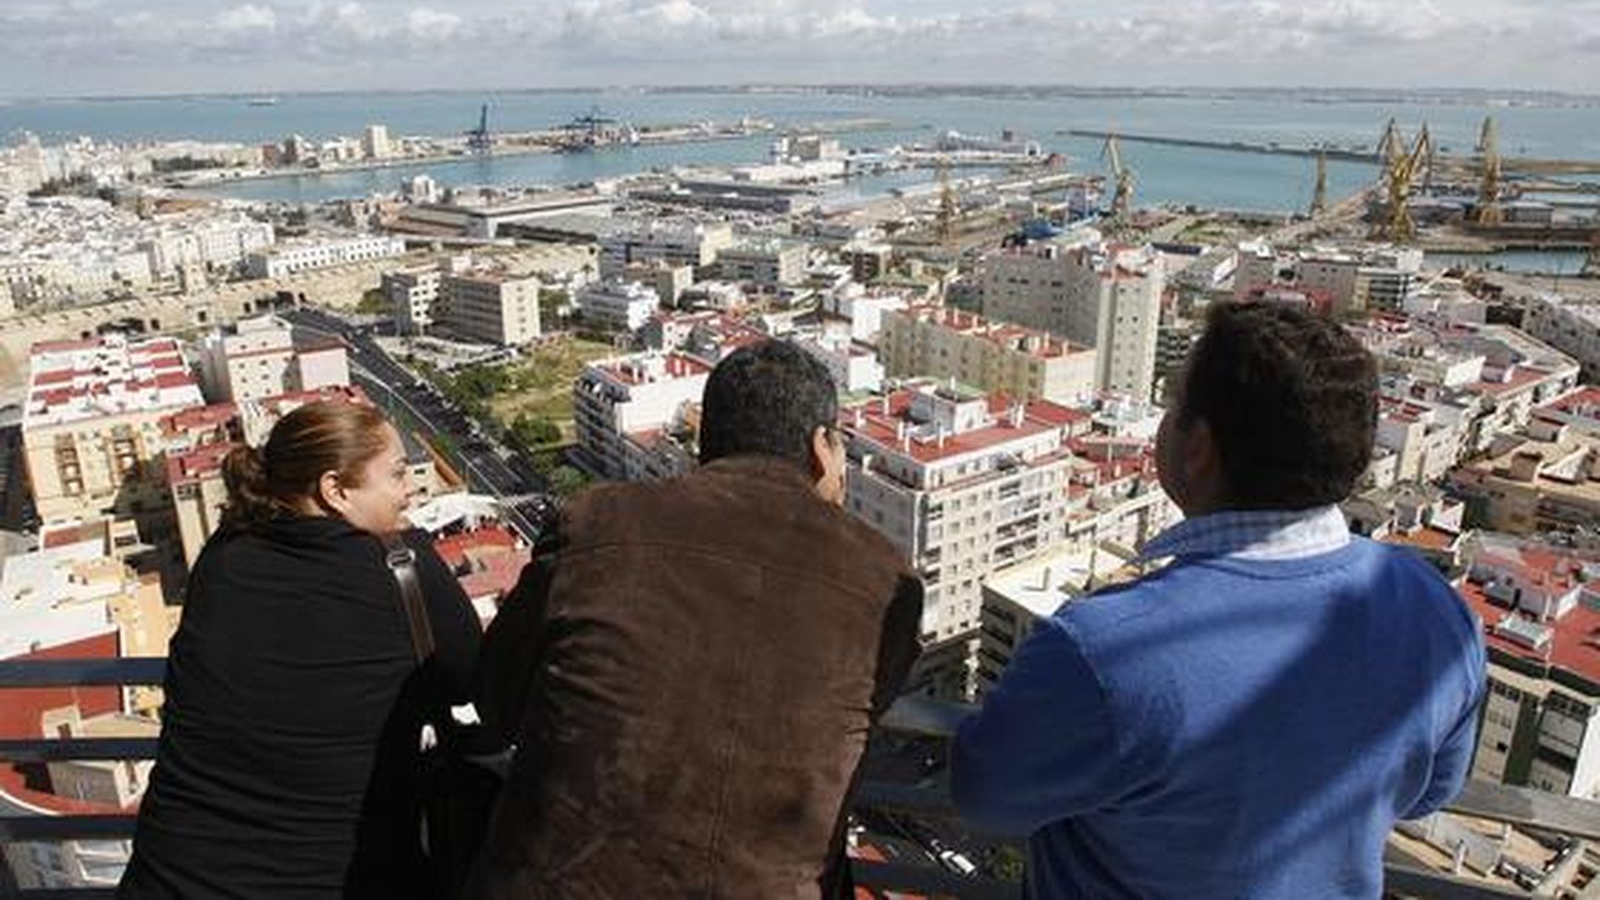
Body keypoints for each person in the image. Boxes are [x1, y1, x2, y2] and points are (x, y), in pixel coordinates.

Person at [951, 300, 1486, 898]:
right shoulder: (1440, 612)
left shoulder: (1107, 646)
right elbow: (1430, 790)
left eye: (1173, 406)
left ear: (1199, 446)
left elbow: (983, 797)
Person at [466, 340, 923, 899]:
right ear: (821, 450)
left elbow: (496, 696)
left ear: (708, 440)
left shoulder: (597, 522)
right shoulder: (884, 582)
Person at [120, 400, 480, 899]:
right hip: (337, 879)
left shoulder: (223, 558)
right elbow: (470, 680)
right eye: (397, 475)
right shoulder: (405, 568)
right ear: (334, 490)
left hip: (171, 877)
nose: (410, 489)